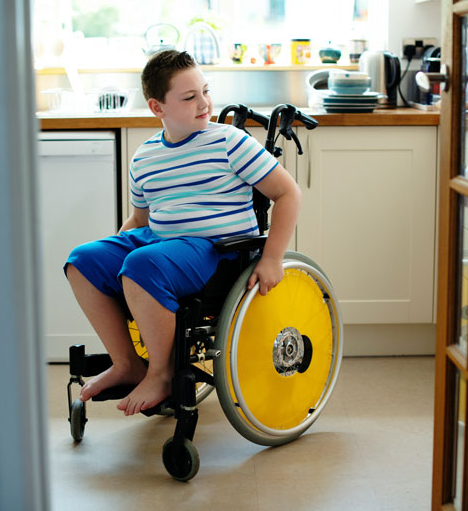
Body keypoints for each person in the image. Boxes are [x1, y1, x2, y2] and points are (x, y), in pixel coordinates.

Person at [64, 50, 301, 416]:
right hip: (162, 245)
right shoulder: (144, 157)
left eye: (205, 91)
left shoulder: (228, 142)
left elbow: (288, 193)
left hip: (217, 250)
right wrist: (111, 257)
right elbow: (139, 221)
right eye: (190, 97)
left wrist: (271, 258)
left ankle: (161, 374)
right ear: (157, 107)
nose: (204, 103)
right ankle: (127, 363)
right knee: (83, 259)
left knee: (143, 263)